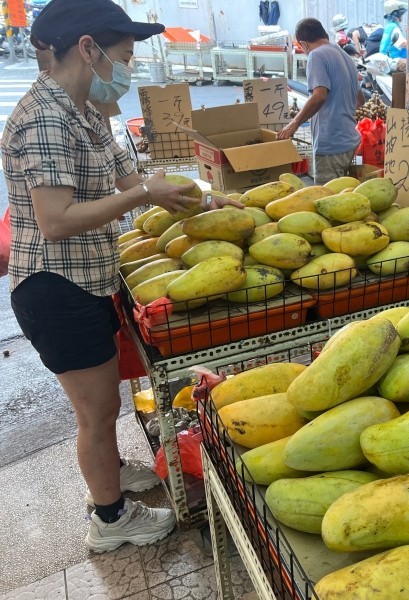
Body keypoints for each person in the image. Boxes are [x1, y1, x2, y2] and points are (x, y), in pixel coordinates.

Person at [2, 0, 241, 553]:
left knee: (102, 406)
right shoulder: (45, 117)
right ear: (88, 49)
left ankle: (108, 471)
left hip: (88, 280)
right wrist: (140, 196)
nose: (128, 69)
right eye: (125, 56)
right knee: (95, 412)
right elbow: (55, 220)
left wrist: (206, 202)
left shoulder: (83, 111)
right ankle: (109, 519)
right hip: (55, 290)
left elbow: (133, 179)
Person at [278, 18, 362, 185]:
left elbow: (319, 95)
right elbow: (360, 100)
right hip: (350, 141)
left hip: (331, 145)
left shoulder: (316, 55)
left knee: (326, 197)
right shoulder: (345, 56)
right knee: (343, 195)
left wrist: (293, 125)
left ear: (304, 44)